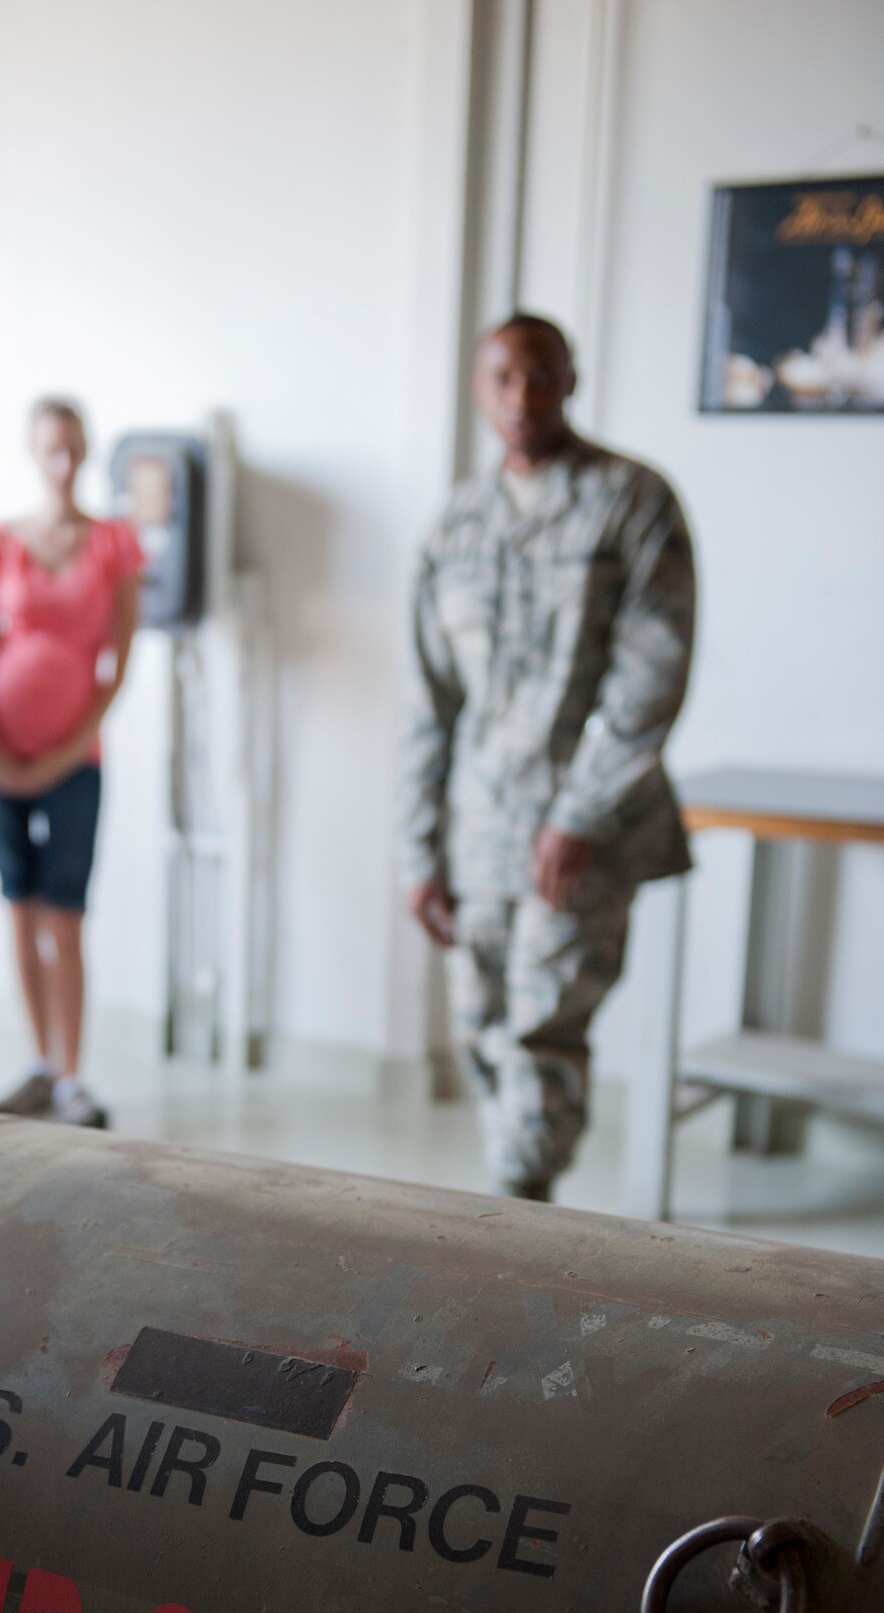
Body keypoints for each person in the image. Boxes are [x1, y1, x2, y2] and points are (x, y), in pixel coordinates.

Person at [407, 313, 695, 1202]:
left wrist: (576, 816)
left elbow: (648, 681)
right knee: (485, 1036)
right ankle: (515, 1224)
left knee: (541, 1038)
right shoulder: (456, 523)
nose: (522, 398)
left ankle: (516, 1243)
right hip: (478, 834)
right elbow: (430, 700)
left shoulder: (631, 503)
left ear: (570, 380)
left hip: (584, 833)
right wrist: (418, 846)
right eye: (502, 379)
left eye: (540, 377)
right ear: (478, 388)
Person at [0, 397, 144, 1130]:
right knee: (18, 905)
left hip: (74, 761)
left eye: (74, 448)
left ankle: (72, 1076)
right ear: (32, 454)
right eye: (51, 448)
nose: (63, 462)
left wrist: (58, 757)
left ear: (87, 452)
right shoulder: (1, 540)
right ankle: (39, 1064)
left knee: (64, 916)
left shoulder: (113, 545)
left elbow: (117, 667)